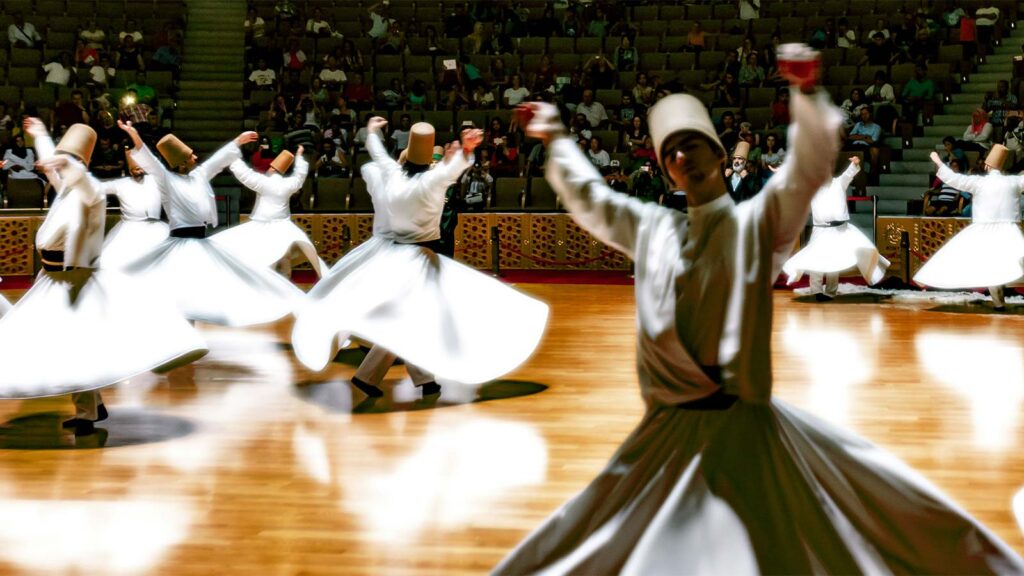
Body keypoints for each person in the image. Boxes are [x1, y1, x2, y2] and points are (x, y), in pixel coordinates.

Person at [495, 44, 1024, 573]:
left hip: (743, 427)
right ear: (666, 170)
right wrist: (555, 138)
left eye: (692, 145)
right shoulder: (653, 229)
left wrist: (807, 93)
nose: (682, 157)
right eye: (671, 152)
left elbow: (805, 171)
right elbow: (591, 200)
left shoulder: (756, 225)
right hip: (666, 434)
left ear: (718, 156)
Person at [290, 118, 549, 399]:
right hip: (418, 257)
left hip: (389, 253)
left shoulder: (392, 174)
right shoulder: (431, 181)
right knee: (412, 317)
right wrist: (466, 150)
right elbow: (451, 171)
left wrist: (373, 131)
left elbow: (378, 154)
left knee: (411, 316)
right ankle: (371, 376)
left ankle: (423, 380)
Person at [0, 120, 207, 436]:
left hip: (75, 282)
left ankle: (88, 412)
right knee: (58, 343)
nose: (57, 169)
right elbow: (59, 173)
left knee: (76, 346)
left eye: (66, 163)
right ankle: (91, 407)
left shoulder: (90, 194)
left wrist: (63, 162)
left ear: (78, 166)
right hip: (51, 279)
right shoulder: (65, 191)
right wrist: (41, 136)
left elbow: (83, 182)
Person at [117, 121, 303, 326]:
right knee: (179, 287)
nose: (196, 158)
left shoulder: (199, 175)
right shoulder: (166, 179)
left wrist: (237, 141)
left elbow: (218, 160)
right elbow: (150, 160)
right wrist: (134, 135)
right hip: (180, 242)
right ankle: (180, 325)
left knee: (198, 287)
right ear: (181, 163)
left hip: (200, 241)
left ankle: (190, 325)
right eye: (190, 156)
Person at [915, 145, 1024, 310]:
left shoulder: (978, 182)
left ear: (987, 166)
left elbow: (954, 179)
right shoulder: (1014, 181)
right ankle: (999, 303)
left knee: (991, 267)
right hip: (1009, 230)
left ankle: (999, 303)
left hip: (984, 230)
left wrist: (938, 162)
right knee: (1015, 260)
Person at [783, 157, 890, 299]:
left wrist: (855, 163)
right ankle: (816, 290)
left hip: (838, 229)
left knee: (834, 260)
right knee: (816, 259)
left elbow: (848, 174)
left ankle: (830, 291)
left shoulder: (839, 182)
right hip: (820, 230)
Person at [212, 147, 325, 278]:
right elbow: (300, 175)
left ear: (271, 169)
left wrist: (233, 157)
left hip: (262, 224)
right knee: (284, 256)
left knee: (265, 257)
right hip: (283, 226)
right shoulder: (289, 184)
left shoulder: (264, 182)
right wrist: (299, 157)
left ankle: (266, 283)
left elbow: (244, 174)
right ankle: (284, 284)